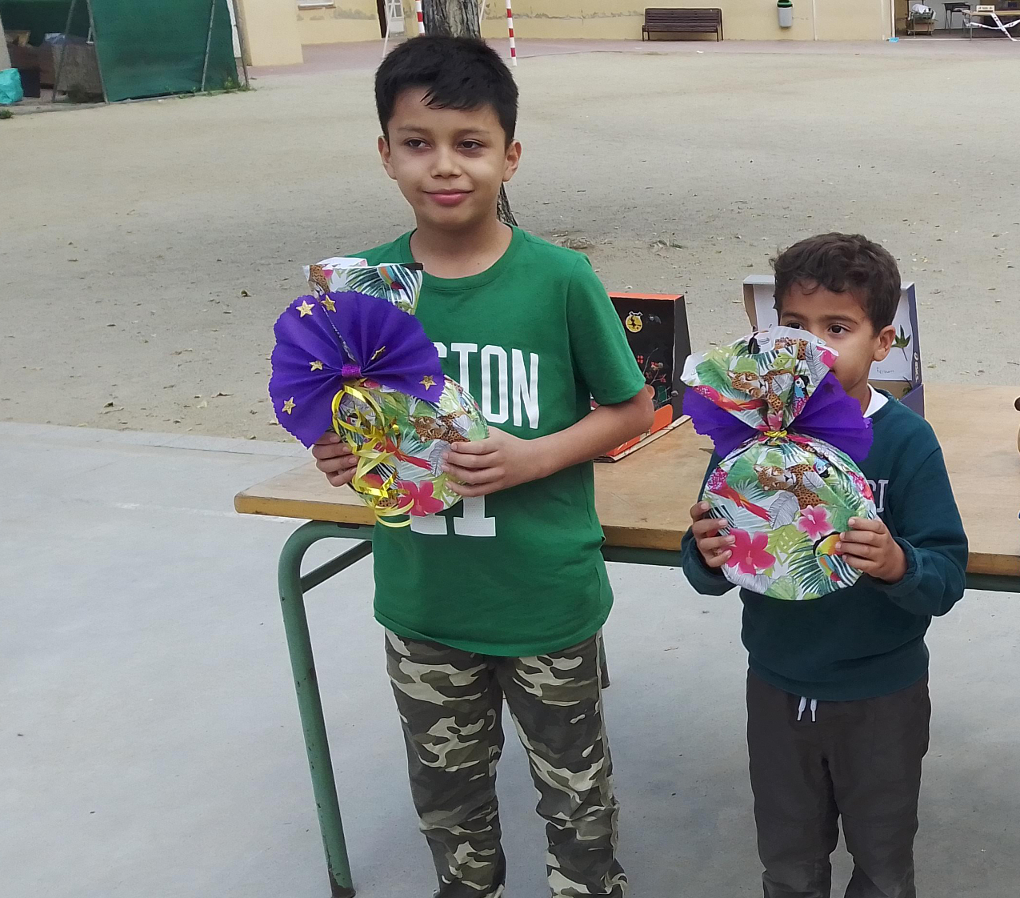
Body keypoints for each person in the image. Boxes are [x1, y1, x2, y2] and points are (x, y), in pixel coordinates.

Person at [308, 35, 653, 898]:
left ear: (511, 155)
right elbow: (345, 417)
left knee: (577, 801)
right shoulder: (364, 287)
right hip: (425, 602)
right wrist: (338, 450)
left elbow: (632, 408)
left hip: (544, 599)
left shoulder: (560, 279)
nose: (444, 166)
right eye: (417, 143)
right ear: (385, 153)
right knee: (448, 805)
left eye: (470, 143)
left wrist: (533, 456)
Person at [682, 233, 969, 898]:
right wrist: (707, 554)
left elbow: (946, 575)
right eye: (794, 327)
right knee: (788, 862)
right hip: (777, 688)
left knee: (883, 864)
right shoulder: (750, 439)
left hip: (881, 697)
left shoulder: (906, 441)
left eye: (837, 328)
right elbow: (705, 556)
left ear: (883, 342)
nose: (811, 348)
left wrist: (898, 564)